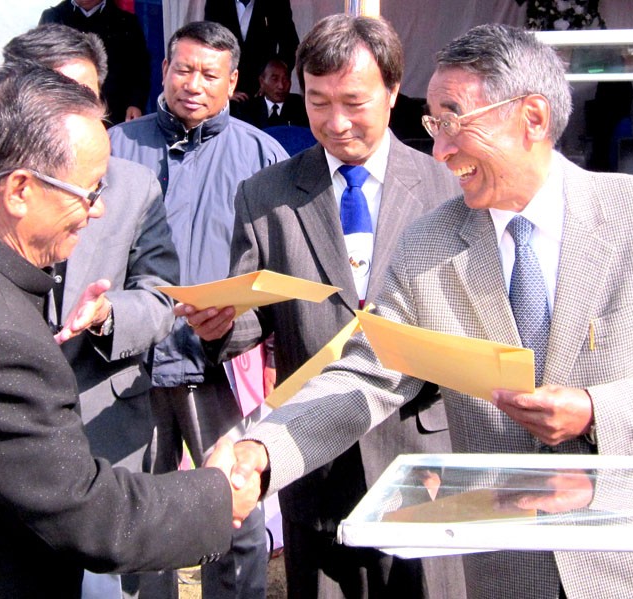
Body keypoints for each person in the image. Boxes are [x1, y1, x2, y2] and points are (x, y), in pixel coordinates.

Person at [224, 23, 633, 599]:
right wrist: (262, 450)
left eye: (455, 124)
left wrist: (596, 410)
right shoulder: (429, 244)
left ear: (531, 118)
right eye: (434, 125)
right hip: (507, 567)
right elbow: (365, 374)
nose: (440, 150)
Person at [0, 64, 257, 599]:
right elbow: (89, 516)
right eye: (88, 192)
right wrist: (217, 495)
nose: (99, 209)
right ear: (20, 189)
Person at [189, 14, 465, 599]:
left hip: (423, 444)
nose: (335, 123)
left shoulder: (447, 187)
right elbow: (252, 315)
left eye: (354, 102)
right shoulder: (266, 193)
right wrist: (218, 325)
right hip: (313, 455)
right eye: (317, 102)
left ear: (393, 92)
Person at [0, 24, 180, 599]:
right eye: (54, 95)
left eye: (86, 98)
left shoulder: (134, 188)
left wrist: (111, 314)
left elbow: (163, 295)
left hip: (110, 430)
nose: (73, 115)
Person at [108, 21, 288, 599]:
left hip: (220, 365)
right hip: (128, 364)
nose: (194, 83)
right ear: (164, 70)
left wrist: (247, 327)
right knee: (138, 512)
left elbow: (282, 264)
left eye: (210, 74)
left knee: (234, 507)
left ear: (233, 81)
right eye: (183, 69)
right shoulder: (117, 146)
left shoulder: (262, 155)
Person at [40, 0, 150, 125]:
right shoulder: (54, 17)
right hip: (64, 111)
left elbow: (139, 67)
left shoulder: (126, 22)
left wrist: (135, 104)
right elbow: (40, 66)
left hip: (113, 114)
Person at [204, 0, 299, 102]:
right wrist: (222, 89)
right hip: (225, 92)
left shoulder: (276, 3)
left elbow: (290, 44)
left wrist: (273, 80)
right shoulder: (216, 3)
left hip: (263, 94)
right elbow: (209, 47)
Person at [231, 55, 308, 128]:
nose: (281, 86)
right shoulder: (247, 109)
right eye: (274, 79)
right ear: (262, 81)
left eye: (285, 79)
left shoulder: (302, 106)